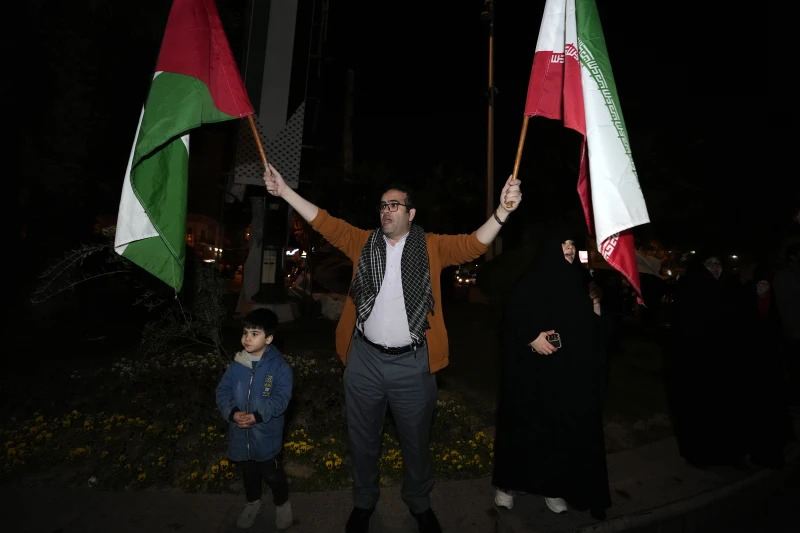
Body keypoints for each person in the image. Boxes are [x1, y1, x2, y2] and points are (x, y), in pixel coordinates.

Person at [263, 163, 522, 533]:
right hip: (364, 360)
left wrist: (503, 212)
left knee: (415, 443)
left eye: (394, 205)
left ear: (410, 213)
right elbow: (325, 221)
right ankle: (364, 502)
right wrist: (285, 191)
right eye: (383, 205)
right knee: (363, 440)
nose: (386, 210)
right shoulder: (362, 242)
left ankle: (419, 502)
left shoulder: (431, 246)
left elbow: (472, 244)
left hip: (413, 364)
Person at [491, 224, 612, 521]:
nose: (569, 248)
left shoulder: (581, 283)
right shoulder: (529, 283)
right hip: (528, 375)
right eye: (563, 243)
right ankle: (509, 486)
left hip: (564, 376)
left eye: (572, 243)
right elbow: (509, 321)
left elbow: (591, 333)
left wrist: (596, 311)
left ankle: (551, 486)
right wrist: (531, 338)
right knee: (523, 427)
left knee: (554, 431)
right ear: (549, 249)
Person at [664, 250, 748, 469]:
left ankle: (727, 453)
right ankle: (701, 454)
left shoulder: (729, 291)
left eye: (718, 262)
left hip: (725, 368)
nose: (715, 267)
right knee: (699, 414)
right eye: (709, 263)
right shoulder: (691, 290)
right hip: (697, 368)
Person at [215, 308, 294, 530]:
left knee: (272, 474)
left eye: (254, 333)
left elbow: (282, 399)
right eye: (245, 332)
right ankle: (252, 503)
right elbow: (222, 392)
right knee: (248, 473)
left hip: (266, 435)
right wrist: (232, 413)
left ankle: (282, 504)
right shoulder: (237, 365)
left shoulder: (280, 368)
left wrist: (257, 416)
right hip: (240, 434)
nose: (247, 338)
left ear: (268, 338)